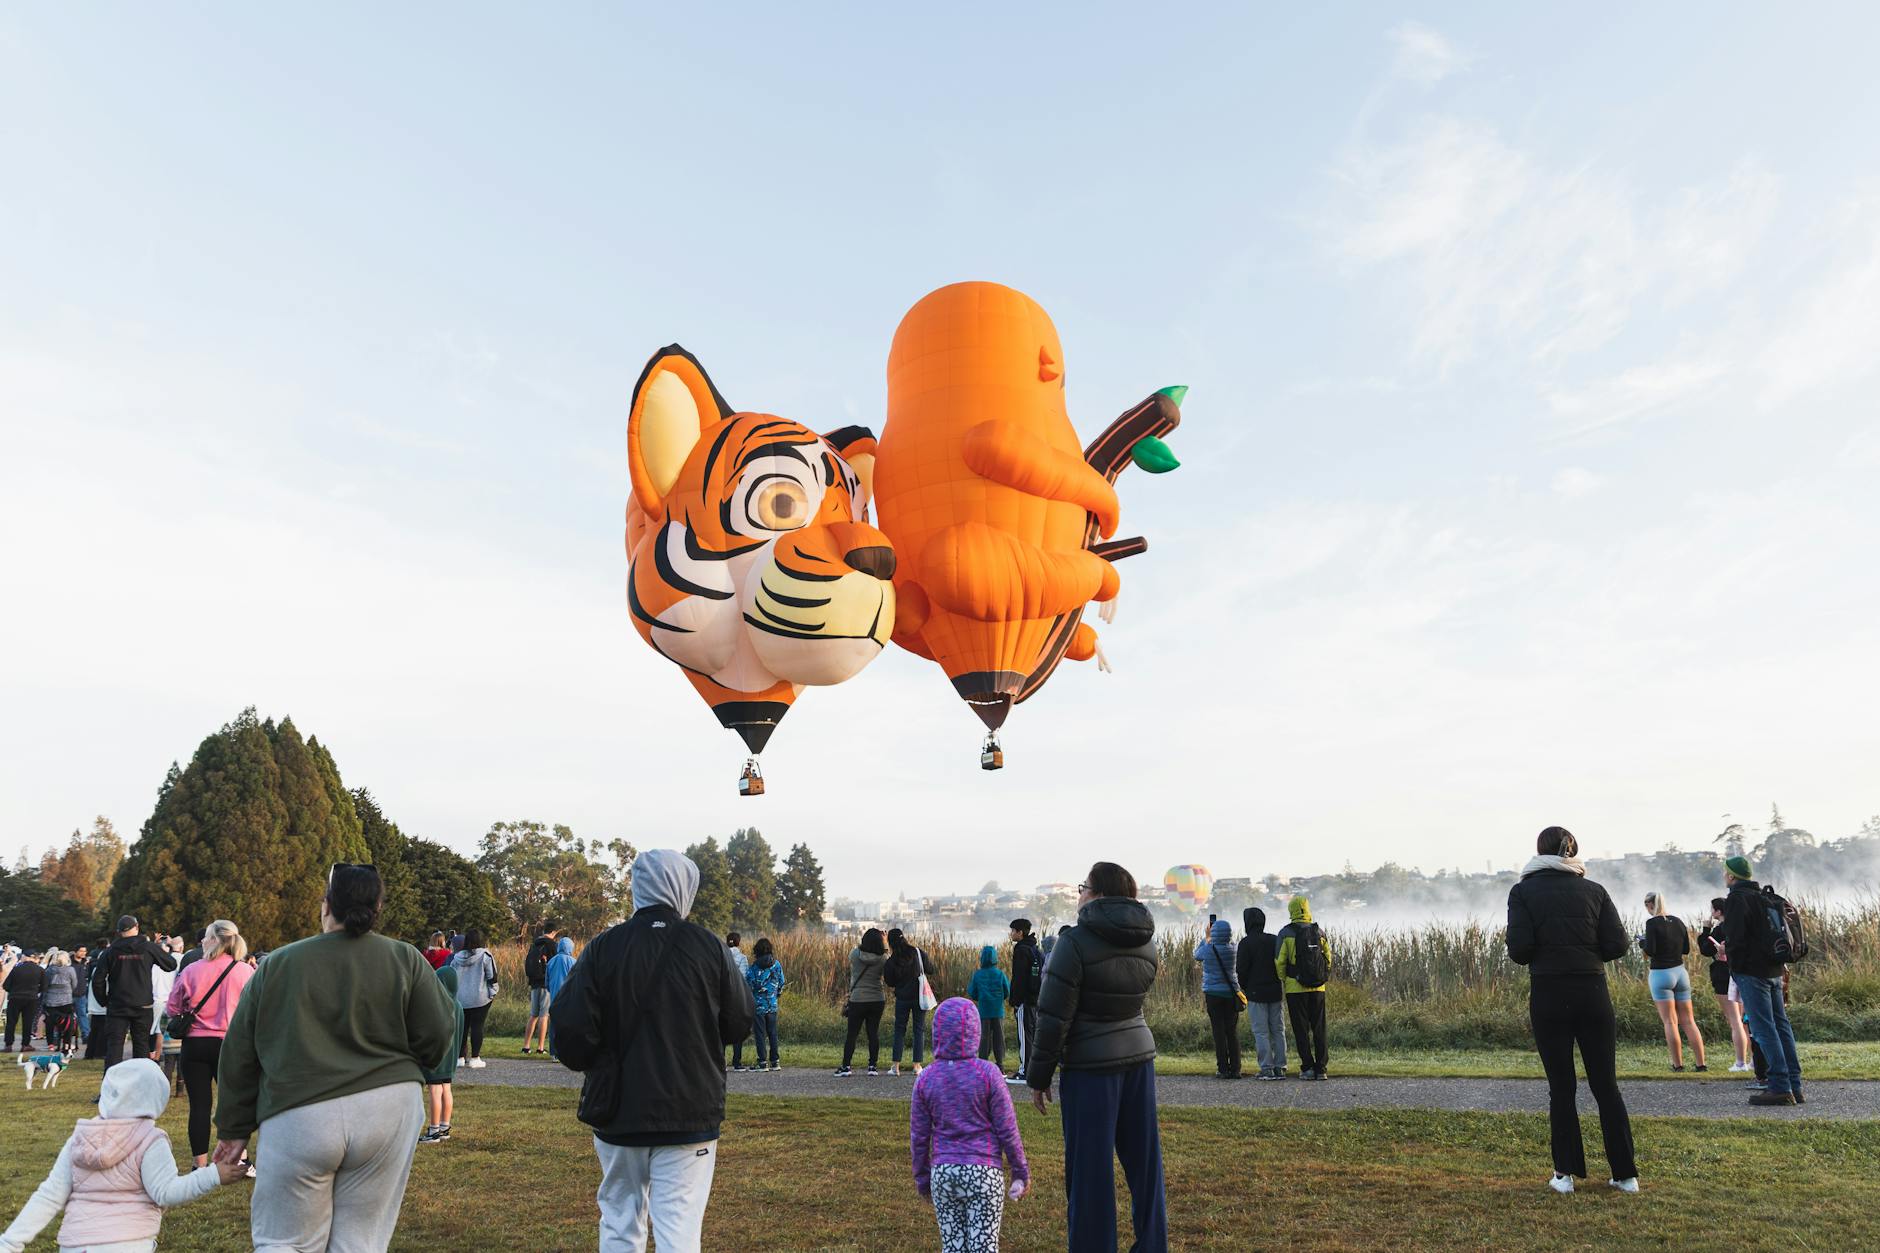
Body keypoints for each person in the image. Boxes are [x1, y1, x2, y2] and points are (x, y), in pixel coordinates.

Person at [213, 863, 458, 1251]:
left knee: (285, 1240)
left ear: (326, 906)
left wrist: (233, 1128)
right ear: (378, 907)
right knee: (360, 1241)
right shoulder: (405, 958)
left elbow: (239, 1053)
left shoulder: (278, 963)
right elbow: (439, 1034)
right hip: (388, 1110)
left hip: (299, 1113)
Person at [551, 848, 755, 1253]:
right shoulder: (707, 947)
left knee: (620, 1222)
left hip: (619, 1109)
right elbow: (739, 1022)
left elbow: (570, 1029)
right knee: (678, 1229)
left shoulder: (603, 947)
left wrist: (599, 1057)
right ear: (684, 888)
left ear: (637, 888)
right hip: (688, 1109)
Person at [1027, 862, 1167, 1253]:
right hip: (1139, 1057)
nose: (1079, 894)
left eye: (1083, 887)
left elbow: (1053, 1016)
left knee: (1090, 1172)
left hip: (1091, 1068)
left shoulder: (1073, 943)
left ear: (1100, 894)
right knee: (1145, 1166)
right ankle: (1153, 1245)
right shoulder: (1146, 940)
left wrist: (1038, 1076)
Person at [1506, 825, 1637, 1195]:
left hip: (1548, 992)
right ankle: (1626, 1175)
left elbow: (1519, 950)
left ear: (1539, 852)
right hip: (1592, 990)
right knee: (1606, 1085)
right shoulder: (1594, 890)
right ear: (1572, 851)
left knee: (1561, 1087)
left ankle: (1564, 1175)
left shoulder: (1522, 892)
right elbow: (1617, 944)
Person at [0, 1058, 238, 1252]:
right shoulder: (151, 1139)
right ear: (157, 1097)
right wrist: (214, 1175)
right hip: (129, 1243)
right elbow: (166, 1192)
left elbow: (49, 1196)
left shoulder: (80, 1137)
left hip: (76, 1245)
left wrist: (10, 1242)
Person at [911, 997, 1030, 1253]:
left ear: (937, 1033)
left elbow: (919, 1137)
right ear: (976, 1032)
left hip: (943, 1173)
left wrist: (922, 1177)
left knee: (953, 1247)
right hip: (984, 1172)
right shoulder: (989, 1074)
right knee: (983, 1246)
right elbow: (1007, 1129)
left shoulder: (926, 1079)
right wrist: (1020, 1171)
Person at [162, 919, 253, 1167]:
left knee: (200, 1106)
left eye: (206, 936)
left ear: (214, 940)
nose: (201, 940)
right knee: (233, 1104)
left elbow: (172, 1008)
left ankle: (199, 1163)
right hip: (231, 1045)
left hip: (196, 1044)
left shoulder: (191, 970)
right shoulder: (244, 971)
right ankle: (239, 1158)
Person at [1718, 855, 1803, 1106]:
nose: (1724, 877)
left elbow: (1737, 938)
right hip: (1774, 970)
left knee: (1763, 1029)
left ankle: (1778, 1086)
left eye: (1725, 873)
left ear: (1732, 876)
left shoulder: (1735, 898)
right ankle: (1794, 1085)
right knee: (1781, 1025)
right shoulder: (1763, 896)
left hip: (1751, 972)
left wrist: (1728, 956)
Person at [90, 916, 177, 1075]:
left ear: (118, 932)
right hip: (142, 1004)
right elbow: (171, 964)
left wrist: (104, 1001)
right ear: (136, 927)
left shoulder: (111, 951)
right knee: (141, 1045)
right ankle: (142, 1087)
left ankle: (111, 1090)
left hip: (117, 1005)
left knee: (114, 1047)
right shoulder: (148, 947)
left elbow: (98, 980)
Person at [1640, 891, 1705, 1072]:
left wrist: (1642, 943)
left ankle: (1678, 1065)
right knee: (1689, 1021)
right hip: (1680, 973)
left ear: (1649, 905)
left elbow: (1651, 950)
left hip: (1661, 974)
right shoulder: (1678, 921)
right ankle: (1701, 1064)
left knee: (1670, 1022)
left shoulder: (1651, 923)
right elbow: (1685, 949)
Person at [1275, 896, 1333, 1080]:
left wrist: (1286, 979)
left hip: (1295, 989)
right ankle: (1322, 1069)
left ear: (1291, 910)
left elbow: (1279, 962)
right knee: (1319, 1028)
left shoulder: (1285, 933)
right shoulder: (1319, 931)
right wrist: (1322, 977)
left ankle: (1307, 1068)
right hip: (1318, 988)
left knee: (1301, 1029)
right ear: (1307, 909)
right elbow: (1328, 960)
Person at [1697, 899, 1751, 1071]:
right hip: (1740, 972)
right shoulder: (1737, 927)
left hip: (1723, 974)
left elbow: (1706, 949)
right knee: (1744, 1021)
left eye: (1712, 909)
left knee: (1734, 1021)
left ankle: (1740, 1062)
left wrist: (1705, 929)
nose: (1711, 912)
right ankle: (1754, 1060)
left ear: (1718, 912)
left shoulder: (1720, 929)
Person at [1236, 908, 1287, 1080]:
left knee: (1261, 1032)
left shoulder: (1245, 943)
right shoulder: (1274, 940)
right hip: (1275, 991)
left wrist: (1245, 987)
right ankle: (1280, 1066)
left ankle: (1267, 1068)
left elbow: (1241, 970)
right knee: (1278, 1030)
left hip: (1256, 992)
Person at [420, 962, 465, 1144]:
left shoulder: (439, 1006)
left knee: (434, 1091)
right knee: (447, 1089)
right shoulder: (459, 1006)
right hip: (451, 1056)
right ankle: (445, 1126)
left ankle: (433, 1131)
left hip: (437, 1056)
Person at [1194, 917, 1243, 1079]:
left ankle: (1223, 1068)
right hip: (1231, 994)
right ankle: (1235, 1069)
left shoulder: (1208, 948)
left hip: (1213, 995)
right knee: (1232, 1031)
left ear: (1213, 932)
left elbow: (1197, 955)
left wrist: (1207, 937)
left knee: (1218, 1032)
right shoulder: (1234, 948)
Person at [836, 928, 888, 1078]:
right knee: (873, 1033)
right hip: (877, 999)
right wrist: (885, 942)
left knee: (852, 1034)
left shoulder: (855, 954)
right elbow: (888, 959)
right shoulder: (883, 958)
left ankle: (846, 1066)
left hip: (858, 999)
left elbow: (853, 956)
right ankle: (872, 1066)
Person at [885, 928, 932, 1077]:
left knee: (899, 1030)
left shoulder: (891, 960)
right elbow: (931, 969)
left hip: (902, 999)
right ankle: (917, 1066)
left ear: (890, 942)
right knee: (919, 1030)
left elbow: (890, 982)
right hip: (919, 998)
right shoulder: (917, 952)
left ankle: (895, 1067)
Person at [450, 928, 498, 1069]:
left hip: (461, 998)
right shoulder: (485, 956)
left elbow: (452, 976)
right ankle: (475, 1058)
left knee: (462, 1028)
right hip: (480, 997)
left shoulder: (457, 958)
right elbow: (492, 977)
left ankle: (460, 1057)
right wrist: (493, 992)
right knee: (477, 1027)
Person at [1006, 920, 1043, 1084]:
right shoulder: (1034, 948)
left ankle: (1024, 1072)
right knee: (1032, 1034)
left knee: (1024, 1035)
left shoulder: (1021, 950)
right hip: (1035, 999)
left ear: (1020, 932)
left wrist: (1015, 1000)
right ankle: (1032, 1069)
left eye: (1013, 930)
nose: (1011, 933)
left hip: (1024, 1001)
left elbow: (1019, 978)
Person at [744, 937, 785, 1072]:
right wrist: (775, 995)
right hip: (772, 1004)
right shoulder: (777, 965)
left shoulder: (754, 968)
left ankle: (762, 1062)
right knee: (773, 1033)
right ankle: (775, 1061)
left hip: (758, 1005)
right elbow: (781, 982)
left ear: (757, 950)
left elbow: (748, 986)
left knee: (760, 1034)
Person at [968, 945, 1011, 1071]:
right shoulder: (1000, 974)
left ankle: (982, 1063)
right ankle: (1000, 1063)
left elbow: (972, 991)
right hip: (998, 1010)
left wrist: (980, 998)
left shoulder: (978, 974)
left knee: (984, 1037)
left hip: (983, 1010)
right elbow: (1007, 991)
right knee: (999, 1037)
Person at [523, 919, 561, 1055]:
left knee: (533, 1015)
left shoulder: (534, 944)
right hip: (545, 983)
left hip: (534, 983)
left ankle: (526, 1046)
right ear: (553, 932)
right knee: (544, 1016)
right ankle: (540, 1047)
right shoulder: (552, 945)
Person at [4, 948, 45, 1052]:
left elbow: (6, 985)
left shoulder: (16, 969)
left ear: (25, 957)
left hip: (15, 997)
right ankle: (25, 1044)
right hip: (31, 998)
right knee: (28, 1022)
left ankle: (8, 1044)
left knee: (11, 1022)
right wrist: (35, 991)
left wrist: (13, 990)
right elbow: (44, 986)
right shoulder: (40, 970)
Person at [41, 951, 80, 1053]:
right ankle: (66, 1044)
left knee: (50, 1023)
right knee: (68, 1023)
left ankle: (51, 1044)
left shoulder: (49, 970)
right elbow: (74, 983)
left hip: (50, 1000)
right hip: (66, 1000)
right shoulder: (70, 970)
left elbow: (45, 985)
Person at [724, 932, 752, 1071]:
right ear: (738, 942)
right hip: (737, 997)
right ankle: (737, 1063)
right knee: (737, 1029)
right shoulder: (742, 958)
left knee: (720, 1029)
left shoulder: (721, 956)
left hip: (722, 997)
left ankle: (720, 1062)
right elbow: (744, 978)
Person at [69, 945, 90, 1045]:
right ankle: (63, 1036)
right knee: (67, 1016)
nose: (83, 953)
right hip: (69, 994)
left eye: (85, 951)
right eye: (81, 951)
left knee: (82, 1015)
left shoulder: (86, 964)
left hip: (81, 993)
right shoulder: (69, 963)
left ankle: (86, 1035)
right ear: (75, 952)